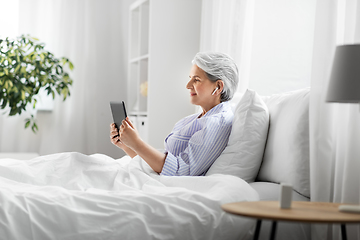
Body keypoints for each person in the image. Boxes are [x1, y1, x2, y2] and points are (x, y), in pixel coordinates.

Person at [110, 52, 239, 176]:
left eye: (197, 80)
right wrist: (128, 145)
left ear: (218, 87)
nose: (188, 85)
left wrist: (137, 143)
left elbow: (179, 171)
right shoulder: (198, 118)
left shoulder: (216, 123)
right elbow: (161, 164)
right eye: (190, 79)